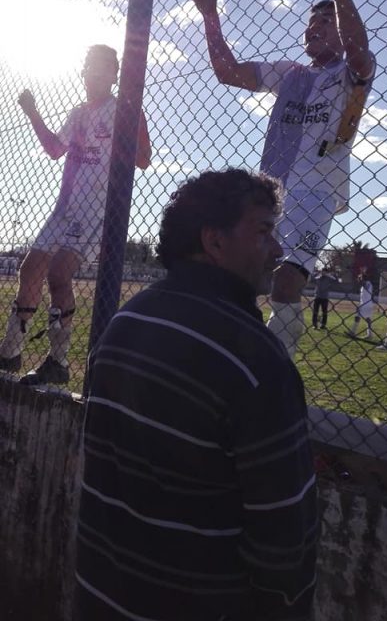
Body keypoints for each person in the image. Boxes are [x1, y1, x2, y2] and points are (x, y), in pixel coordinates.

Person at [75, 168, 318, 621]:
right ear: (215, 241)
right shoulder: (254, 359)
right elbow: (284, 537)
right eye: (263, 231)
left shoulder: (126, 321)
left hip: (97, 594)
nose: (278, 250)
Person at [190, 0, 376, 361]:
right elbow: (227, 71)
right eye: (311, 22)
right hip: (270, 193)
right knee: (237, 275)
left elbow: (358, 49)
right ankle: (230, 355)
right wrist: (210, 15)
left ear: (341, 31)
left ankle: (276, 368)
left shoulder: (350, 72)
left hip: (316, 192)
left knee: (287, 282)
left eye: (325, 22)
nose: (314, 27)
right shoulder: (290, 73)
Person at [0, 44, 151, 385]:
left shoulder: (123, 110)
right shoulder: (78, 113)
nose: (94, 73)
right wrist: (33, 112)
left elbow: (144, 159)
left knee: (58, 272)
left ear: (114, 75)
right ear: (83, 72)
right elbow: (55, 149)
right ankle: (10, 352)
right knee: (29, 270)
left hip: (96, 209)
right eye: (89, 66)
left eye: (103, 67)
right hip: (64, 208)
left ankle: (58, 362)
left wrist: (130, 127)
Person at [348, 272, 374, 339]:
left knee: (358, 317)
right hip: (366, 303)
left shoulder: (367, 283)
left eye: (360, 277)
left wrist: (360, 279)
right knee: (367, 319)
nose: (359, 279)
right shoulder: (367, 283)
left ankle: (352, 332)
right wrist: (360, 279)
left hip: (365, 304)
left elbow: (364, 284)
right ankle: (370, 334)